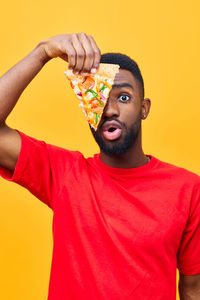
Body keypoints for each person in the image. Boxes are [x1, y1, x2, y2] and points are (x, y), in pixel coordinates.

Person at [0, 33, 199, 300]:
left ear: (144, 108)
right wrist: (42, 52)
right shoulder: (64, 173)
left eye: (124, 98)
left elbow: (192, 289)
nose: (109, 110)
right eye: (98, 98)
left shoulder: (188, 189)